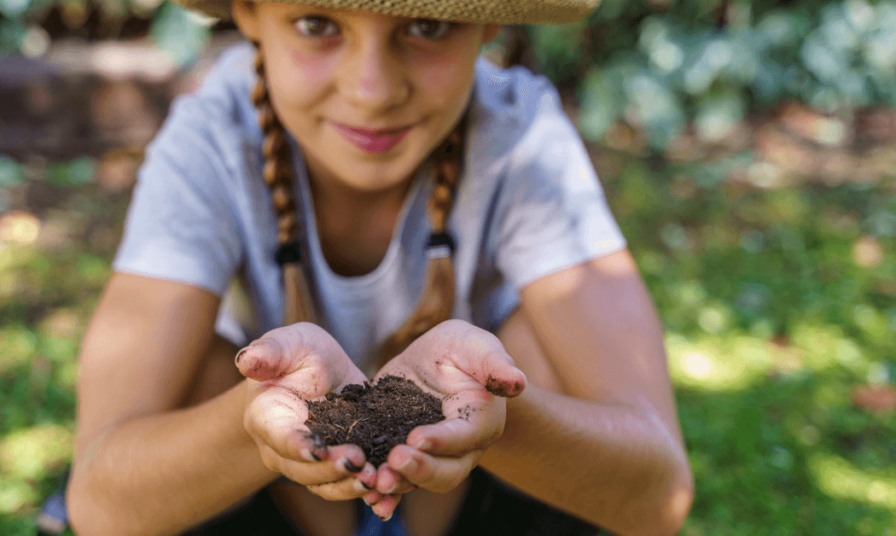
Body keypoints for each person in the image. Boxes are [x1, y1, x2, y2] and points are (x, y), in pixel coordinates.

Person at [63, 0, 695, 535]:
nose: (372, 90)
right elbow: (97, 501)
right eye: (317, 24)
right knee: (202, 367)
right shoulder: (214, 135)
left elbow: (658, 492)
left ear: (489, 28)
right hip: (272, 502)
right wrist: (257, 417)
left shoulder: (519, 130)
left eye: (426, 26)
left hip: (470, 498)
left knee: (534, 357)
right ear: (250, 14)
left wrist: (494, 416)